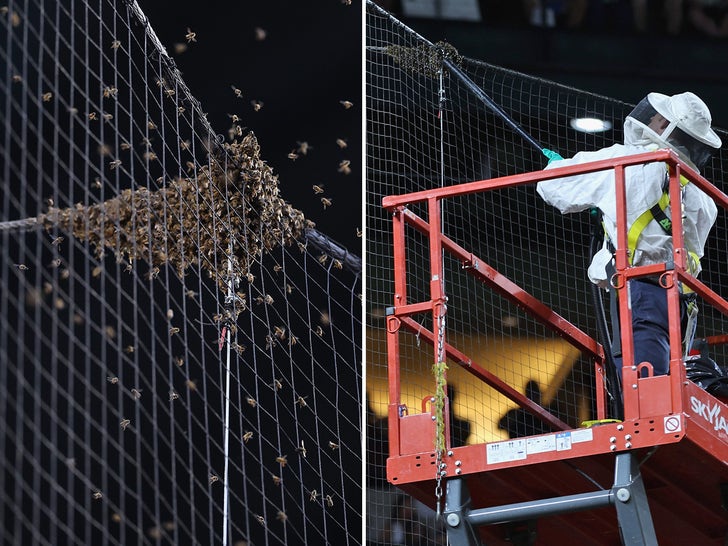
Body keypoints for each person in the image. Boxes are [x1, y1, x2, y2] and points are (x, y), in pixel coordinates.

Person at [536, 91, 721, 378]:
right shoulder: (704, 197)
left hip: (640, 289)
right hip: (683, 304)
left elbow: (554, 188)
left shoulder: (625, 161)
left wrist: (554, 167)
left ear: (665, 126)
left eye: (659, 119)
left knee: (643, 382)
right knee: (667, 381)